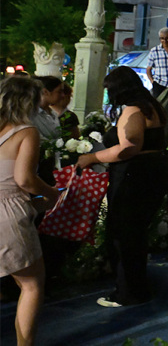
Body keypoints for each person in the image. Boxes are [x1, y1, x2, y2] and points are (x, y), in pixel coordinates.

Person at [76, 66, 168, 307]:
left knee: (124, 235)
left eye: (110, 90)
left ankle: (129, 292)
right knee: (136, 234)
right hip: (155, 170)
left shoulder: (133, 111)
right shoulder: (153, 106)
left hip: (135, 176)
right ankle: (135, 287)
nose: (110, 95)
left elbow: (128, 147)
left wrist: (91, 158)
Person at [0, 76, 61, 345]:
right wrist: (52, 192)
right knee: (32, 284)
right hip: (7, 214)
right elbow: (24, 179)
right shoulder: (26, 132)